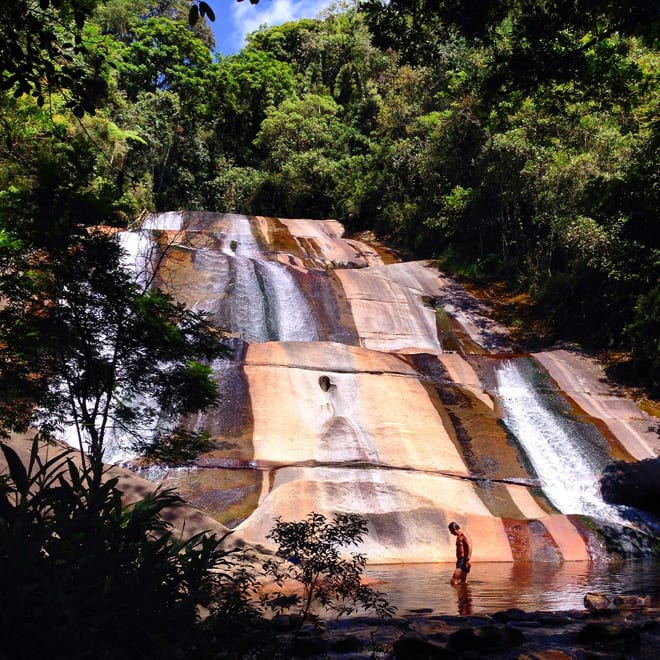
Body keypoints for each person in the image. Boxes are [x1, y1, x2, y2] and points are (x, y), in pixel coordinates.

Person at [448, 521, 472, 585]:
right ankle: (464, 594)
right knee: (463, 581)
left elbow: (469, 545)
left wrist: (467, 559)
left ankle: (456, 594)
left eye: (451, 531)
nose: (451, 532)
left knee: (453, 580)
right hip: (461, 561)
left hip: (463, 561)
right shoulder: (458, 536)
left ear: (454, 529)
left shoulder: (462, 534)